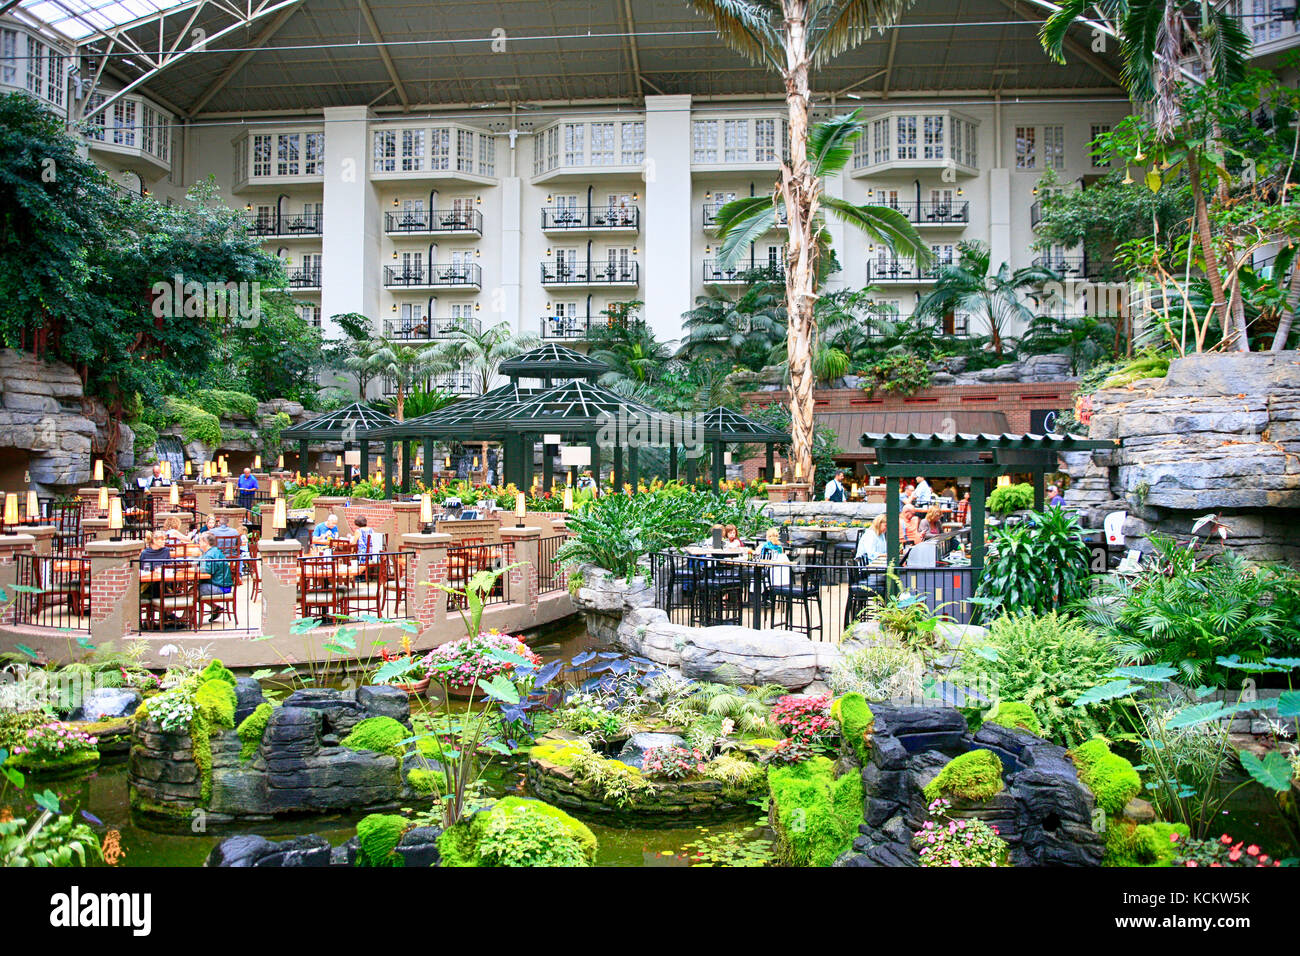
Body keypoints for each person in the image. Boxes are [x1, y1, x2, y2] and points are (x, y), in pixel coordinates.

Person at [197, 531, 234, 622]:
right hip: (223, 584)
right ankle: (216, 608)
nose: (198, 543)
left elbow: (207, 572)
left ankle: (188, 619)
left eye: (200, 541)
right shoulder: (215, 551)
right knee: (195, 589)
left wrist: (194, 569)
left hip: (220, 586)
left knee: (193, 591)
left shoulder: (210, 555)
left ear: (206, 543)